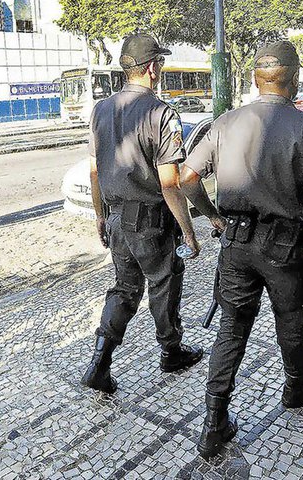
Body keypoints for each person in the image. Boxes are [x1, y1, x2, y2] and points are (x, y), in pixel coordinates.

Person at [180, 41, 303, 458]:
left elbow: (187, 179)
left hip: (236, 246)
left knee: (232, 329)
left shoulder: (224, 122)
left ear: (256, 79)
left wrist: (213, 216)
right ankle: (297, 388)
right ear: (294, 79)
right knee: (292, 323)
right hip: (285, 249)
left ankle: (214, 422)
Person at [81, 34, 205, 395]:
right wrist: (188, 231)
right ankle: (171, 352)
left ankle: (99, 364)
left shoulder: (100, 110)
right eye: (160, 63)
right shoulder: (161, 113)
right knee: (165, 282)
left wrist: (100, 216)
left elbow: (95, 171)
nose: (160, 69)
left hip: (116, 218)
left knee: (124, 289)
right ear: (152, 68)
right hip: (150, 221)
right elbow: (170, 184)